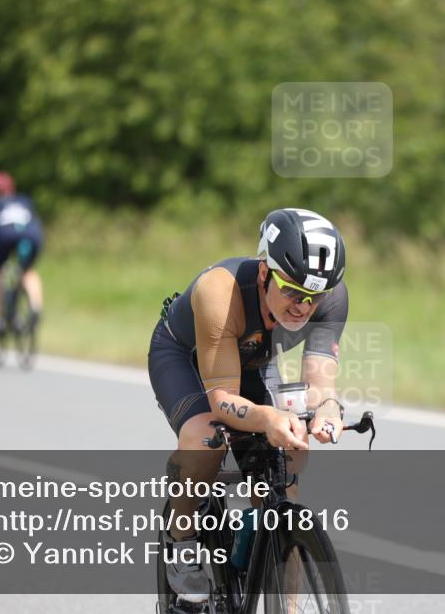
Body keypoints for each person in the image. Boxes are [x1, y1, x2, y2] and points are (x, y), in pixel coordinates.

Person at [149, 207, 348, 605]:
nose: (302, 307)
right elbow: (222, 402)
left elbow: (320, 382)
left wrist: (326, 409)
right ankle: (182, 536)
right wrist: (269, 417)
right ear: (264, 273)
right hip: (184, 357)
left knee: (285, 465)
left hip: (253, 360)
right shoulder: (220, 292)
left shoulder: (331, 297)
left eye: (313, 297)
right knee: (207, 440)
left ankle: (279, 588)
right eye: (292, 291)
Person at [0, 171, 44, 336]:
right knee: (28, 271)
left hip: (3, 237)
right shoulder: (24, 200)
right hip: (32, 236)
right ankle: (35, 307)